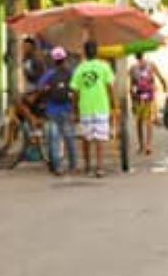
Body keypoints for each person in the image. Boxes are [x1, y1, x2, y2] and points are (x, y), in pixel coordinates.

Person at [71, 40, 118, 178]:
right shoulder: (104, 67)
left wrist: (75, 110)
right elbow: (110, 87)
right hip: (102, 106)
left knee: (86, 138)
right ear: (97, 52)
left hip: (85, 107)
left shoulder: (80, 69)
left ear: (85, 53)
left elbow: (75, 91)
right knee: (100, 138)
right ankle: (99, 167)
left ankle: (87, 166)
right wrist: (115, 105)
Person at [36, 46, 79, 176]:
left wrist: (47, 90)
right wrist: (75, 109)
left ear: (53, 60)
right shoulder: (70, 72)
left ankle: (58, 167)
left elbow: (40, 87)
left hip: (52, 109)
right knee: (70, 138)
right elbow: (75, 89)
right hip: (66, 108)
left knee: (55, 139)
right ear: (65, 59)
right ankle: (73, 165)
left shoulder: (49, 74)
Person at [130, 53, 168, 158]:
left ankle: (147, 145)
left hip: (148, 96)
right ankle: (142, 145)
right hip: (138, 97)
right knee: (139, 121)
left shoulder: (151, 66)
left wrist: (165, 87)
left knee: (147, 121)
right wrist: (132, 97)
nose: (141, 60)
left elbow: (160, 77)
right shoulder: (133, 68)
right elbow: (131, 84)